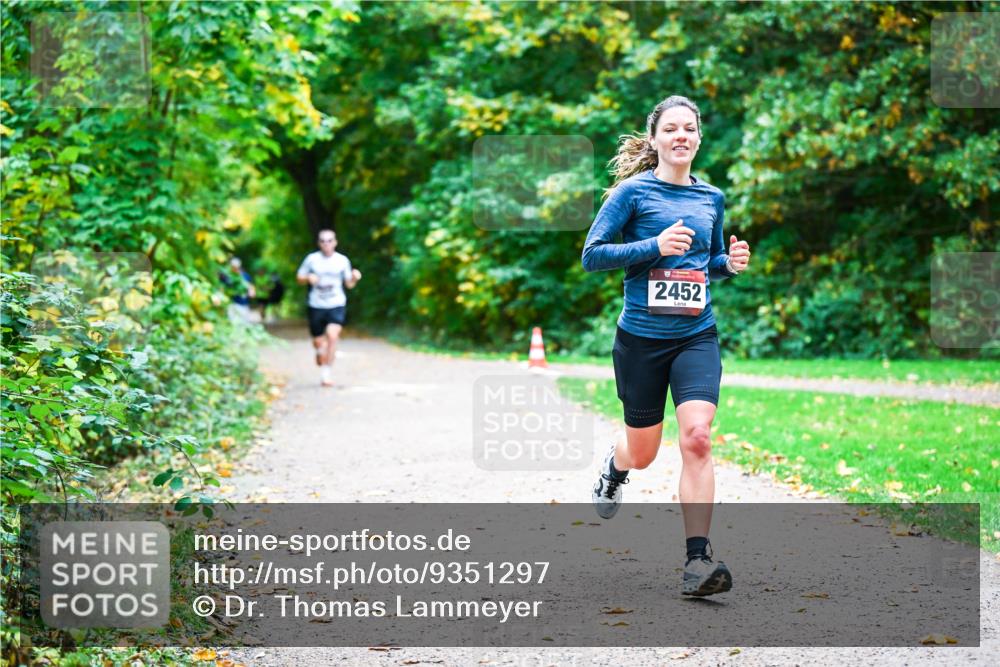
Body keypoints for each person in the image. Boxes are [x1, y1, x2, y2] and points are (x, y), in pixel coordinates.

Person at [581, 95, 751, 597]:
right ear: (654, 140)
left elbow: (706, 262)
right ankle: (615, 469)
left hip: (696, 333)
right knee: (644, 451)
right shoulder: (632, 194)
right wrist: (653, 246)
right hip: (640, 341)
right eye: (671, 129)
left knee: (697, 436)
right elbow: (593, 256)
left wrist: (730, 264)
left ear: (699, 138)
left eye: (690, 129)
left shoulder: (711, 198)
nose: (682, 136)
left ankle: (698, 562)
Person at [296, 229, 362, 387]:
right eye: (323, 241)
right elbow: (299, 278)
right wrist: (307, 278)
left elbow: (349, 284)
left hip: (336, 303)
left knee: (333, 336)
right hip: (316, 305)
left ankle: (326, 373)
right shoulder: (312, 260)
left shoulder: (342, 260)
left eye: (330, 240)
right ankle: (320, 350)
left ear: (335, 242)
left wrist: (354, 277)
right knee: (319, 342)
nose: (326, 244)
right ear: (319, 243)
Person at [223, 257, 256, 323]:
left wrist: (251, 292)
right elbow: (223, 287)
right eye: (233, 266)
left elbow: (251, 288)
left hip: (243, 303)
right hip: (231, 303)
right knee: (232, 322)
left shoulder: (245, 276)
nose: (234, 268)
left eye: (235, 266)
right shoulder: (228, 276)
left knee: (244, 323)